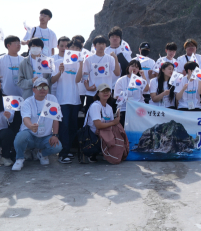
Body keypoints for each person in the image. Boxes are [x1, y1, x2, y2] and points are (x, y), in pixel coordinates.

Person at [12, 78, 62, 170]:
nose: (42, 89)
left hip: (45, 136)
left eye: (45, 87)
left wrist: (55, 135)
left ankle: (41, 153)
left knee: (57, 147)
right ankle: (19, 158)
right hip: (30, 134)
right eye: (39, 87)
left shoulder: (52, 99)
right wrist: (31, 126)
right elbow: (25, 118)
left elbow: (56, 119)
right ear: (33, 89)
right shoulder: (27, 102)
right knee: (20, 137)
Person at [51, 36, 81, 164]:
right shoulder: (57, 62)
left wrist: (81, 63)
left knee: (73, 127)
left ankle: (67, 150)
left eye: (66, 46)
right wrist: (59, 72)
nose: (64, 48)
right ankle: (63, 153)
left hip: (75, 100)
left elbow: (78, 80)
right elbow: (51, 81)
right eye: (61, 46)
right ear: (58, 47)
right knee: (64, 127)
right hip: (62, 100)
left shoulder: (76, 62)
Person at [0, 35, 24, 131]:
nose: (18, 45)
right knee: (8, 121)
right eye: (15, 43)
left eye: (19, 43)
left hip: (21, 96)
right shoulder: (1, 59)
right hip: (6, 96)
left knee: (20, 122)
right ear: (8, 45)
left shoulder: (24, 60)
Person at [76, 35, 121, 110]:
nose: (101, 46)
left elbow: (117, 73)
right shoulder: (89, 59)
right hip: (92, 93)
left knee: (106, 118)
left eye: (103, 44)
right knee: (91, 117)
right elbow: (84, 76)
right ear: (94, 45)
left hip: (106, 93)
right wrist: (87, 87)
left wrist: (115, 59)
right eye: (99, 44)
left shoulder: (110, 59)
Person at [84, 83, 122, 163]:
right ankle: (93, 153)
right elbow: (98, 125)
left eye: (107, 91)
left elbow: (111, 124)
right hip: (92, 134)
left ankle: (109, 152)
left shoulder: (109, 108)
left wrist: (115, 121)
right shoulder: (95, 106)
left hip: (103, 132)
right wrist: (114, 122)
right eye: (103, 91)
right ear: (98, 93)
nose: (106, 93)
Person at [114, 59, 148, 125]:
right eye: (132, 66)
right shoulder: (121, 80)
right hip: (125, 108)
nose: (134, 68)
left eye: (137, 67)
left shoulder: (140, 80)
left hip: (138, 108)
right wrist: (126, 96)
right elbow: (116, 96)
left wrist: (143, 76)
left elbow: (146, 89)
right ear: (128, 67)